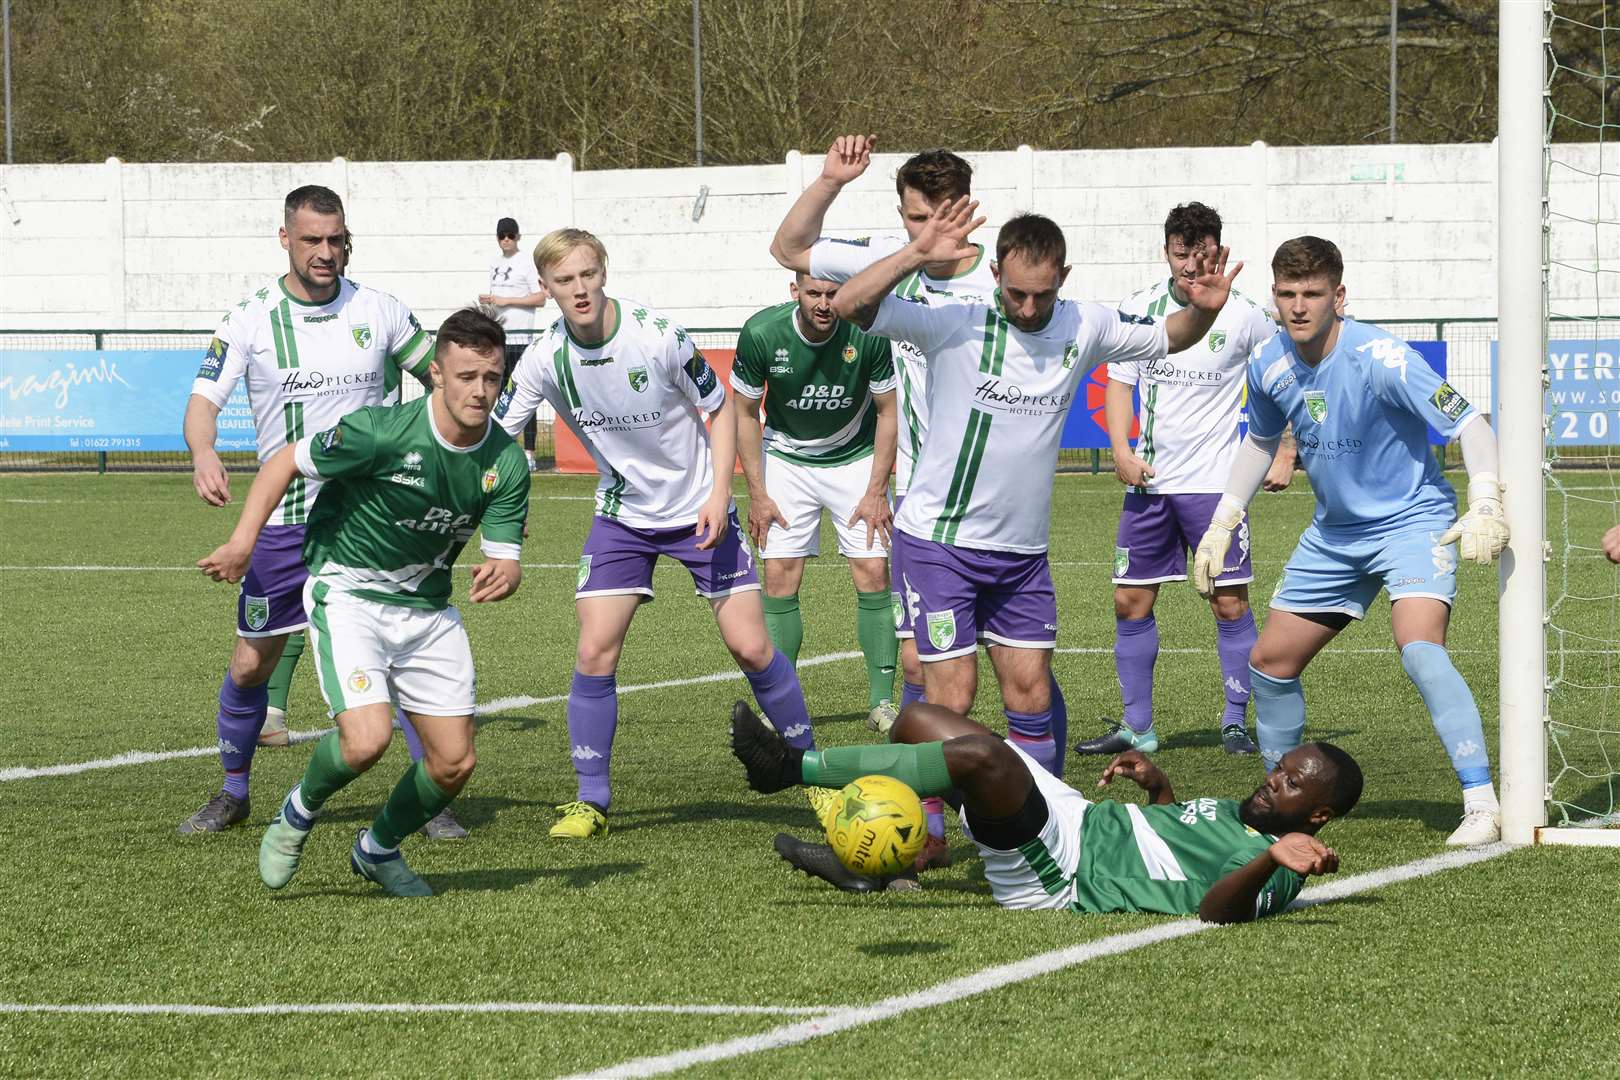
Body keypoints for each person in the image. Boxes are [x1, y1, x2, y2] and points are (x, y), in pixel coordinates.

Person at [828, 199, 1240, 785]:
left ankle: (1030, 833)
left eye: (1042, 295)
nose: (1027, 307)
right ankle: (929, 833)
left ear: (1063, 280)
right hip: (939, 544)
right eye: (1016, 292)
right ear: (995, 275)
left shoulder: (1085, 323)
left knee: (1030, 696)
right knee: (953, 696)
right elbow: (848, 304)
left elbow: (1171, 336)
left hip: (1021, 558)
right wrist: (916, 253)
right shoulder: (954, 324)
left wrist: (1202, 311)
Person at [493, 228, 826, 839]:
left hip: (701, 509)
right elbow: (494, 442)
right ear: (546, 288)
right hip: (623, 518)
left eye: (587, 274)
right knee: (595, 650)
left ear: (603, 271)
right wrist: (498, 510)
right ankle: (591, 798)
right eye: (564, 281)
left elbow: (720, 407)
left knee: (752, 648)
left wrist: (721, 494)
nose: (579, 289)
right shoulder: (542, 357)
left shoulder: (657, 335)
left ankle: (817, 775)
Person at [198, 308, 529, 897]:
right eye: (466, 376)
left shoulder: (505, 462)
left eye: (492, 378)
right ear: (437, 374)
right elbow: (283, 463)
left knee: (454, 763)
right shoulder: (379, 432)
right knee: (367, 740)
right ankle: (296, 814)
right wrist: (243, 540)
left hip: (427, 612)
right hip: (349, 593)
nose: (480, 391)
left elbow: (504, 553)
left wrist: (506, 571)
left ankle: (377, 850)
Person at [1191, 236, 1510, 845]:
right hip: (1335, 534)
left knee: (1418, 647)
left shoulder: (1382, 357)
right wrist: (1224, 519)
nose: (1299, 307)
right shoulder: (1268, 363)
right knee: (1269, 664)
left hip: (1413, 520)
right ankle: (1281, 816)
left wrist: (1486, 499)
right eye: (1287, 294)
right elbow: (1261, 440)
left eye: (1312, 294)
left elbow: (1467, 419)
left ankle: (1480, 801)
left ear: (1339, 296)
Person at [180, 184, 467, 842]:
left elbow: (443, 381)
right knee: (252, 663)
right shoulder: (249, 319)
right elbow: (203, 401)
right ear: (286, 239)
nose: (325, 252)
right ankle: (233, 792)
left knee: (397, 653)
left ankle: (430, 795)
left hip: (370, 521)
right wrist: (203, 451)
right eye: (312, 240)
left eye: (335, 240)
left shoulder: (381, 311)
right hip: (284, 522)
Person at [771, 136, 1007, 868]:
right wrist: (829, 182)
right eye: (906, 218)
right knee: (923, 671)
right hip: (923, 510)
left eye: (927, 219)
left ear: (961, 213)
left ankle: (1030, 812)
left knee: (1019, 675)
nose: (915, 232)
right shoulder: (886, 261)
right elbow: (790, 250)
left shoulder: (1003, 288)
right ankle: (925, 832)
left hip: (998, 510)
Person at [729, 700, 1359, 922]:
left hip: (1063, 872)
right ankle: (875, 866)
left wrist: (1273, 862)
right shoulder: (1247, 811)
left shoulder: (1278, 865)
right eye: (1280, 769)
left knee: (981, 758)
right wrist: (1159, 788)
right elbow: (1176, 850)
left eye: (1292, 783)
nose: (1274, 781)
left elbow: (1215, 908)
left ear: (1319, 815)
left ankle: (790, 767)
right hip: (1077, 815)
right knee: (920, 720)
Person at [1076, 202, 1294, 759]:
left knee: (1228, 604)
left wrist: (1285, 449)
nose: (1191, 269)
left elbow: (1282, 379)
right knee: (1130, 602)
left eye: (1201, 257)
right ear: (1166, 251)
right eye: (1181, 256)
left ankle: (1235, 722)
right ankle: (1138, 728)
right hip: (1148, 486)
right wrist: (1120, 450)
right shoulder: (1139, 309)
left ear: (1217, 252)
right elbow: (1118, 385)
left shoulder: (1244, 315)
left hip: (1217, 488)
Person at [732, 274, 899, 726]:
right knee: (780, 575)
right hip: (785, 457)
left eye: (833, 294)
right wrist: (759, 493)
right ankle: (779, 705)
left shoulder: (869, 332)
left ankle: (882, 702)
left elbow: (888, 411)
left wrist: (876, 490)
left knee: (873, 569)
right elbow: (744, 414)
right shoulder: (762, 333)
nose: (824, 304)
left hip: (856, 459)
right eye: (814, 294)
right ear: (794, 291)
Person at [479, 216, 549, 471]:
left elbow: (541, 298)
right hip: (498, 338)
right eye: (502, 235)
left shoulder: (527, 262)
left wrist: (507, 300)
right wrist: (491, 303)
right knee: (494, 395)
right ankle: (495, 449)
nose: (506, 240)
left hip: (520, 339)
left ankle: (529, 453)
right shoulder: (494, 263)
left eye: (510, 235)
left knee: (523, 394)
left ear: (518, 236)